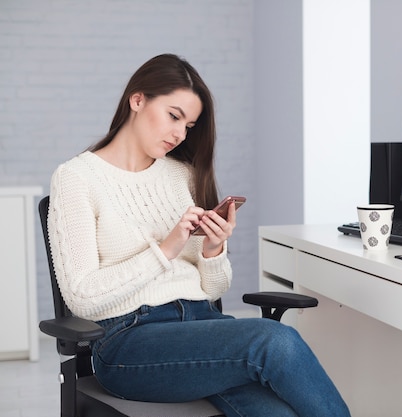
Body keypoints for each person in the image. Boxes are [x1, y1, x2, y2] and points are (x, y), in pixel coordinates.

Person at [47, 53, 350, 417]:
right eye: (174, 116)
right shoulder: (76, 178)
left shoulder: (181, 176)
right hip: (128, 344)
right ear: (138, 100)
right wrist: (166, 249)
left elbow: (213, 290)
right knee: (275, 341)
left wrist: (213, 249)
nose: (179, 134)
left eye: (188, 126)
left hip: (202, 328)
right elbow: (81, 297)